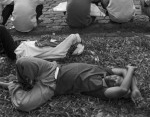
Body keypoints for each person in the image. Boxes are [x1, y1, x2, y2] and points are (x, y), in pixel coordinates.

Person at [0, 57, 145, 112]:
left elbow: (122, 89)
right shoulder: (104, 72)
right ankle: (24, 83)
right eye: (117, 77)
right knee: (22, 61)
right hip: (52, 68)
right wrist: (135, 87)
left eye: (115, 81)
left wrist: (131, 80)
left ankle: (12, 86)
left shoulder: (101, 90)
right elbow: (123, 71)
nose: (114, 77)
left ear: (112, 87)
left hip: (52, 86)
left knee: (24, 105)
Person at [0, 25, 84, 60]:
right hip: (19, 46)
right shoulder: (58, 46)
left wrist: (78, 41)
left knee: (2, 29)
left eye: (73, 44)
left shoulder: (61, 51)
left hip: (16, 52)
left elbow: (73, 36)